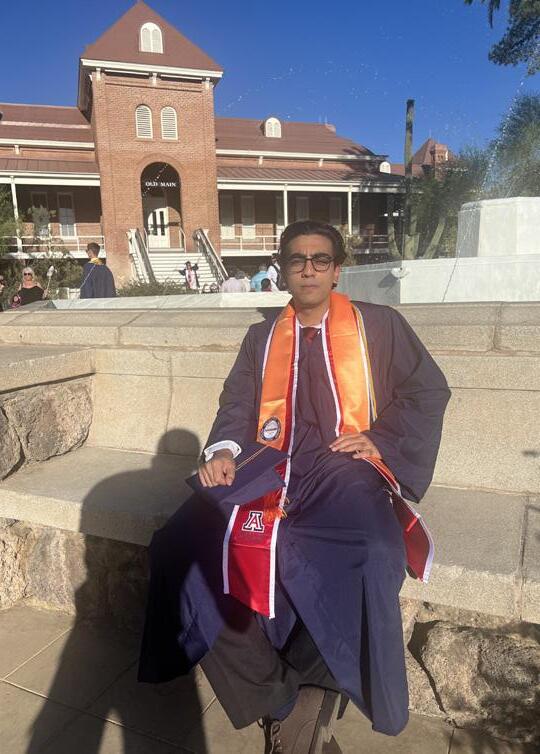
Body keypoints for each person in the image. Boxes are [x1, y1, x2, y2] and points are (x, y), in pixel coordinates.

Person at [138, 221, 451, 753]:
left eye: (320, 260)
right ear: (282, 269)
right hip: (266, 465)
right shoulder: (261, 338)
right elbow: (237, 405)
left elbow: (425, 391)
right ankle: (280, 697)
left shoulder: (379, 325)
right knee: (179, 546)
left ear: (337, 270)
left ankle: (315, 687)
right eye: (297, 260)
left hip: (340, 468)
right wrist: (222, 451)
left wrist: (379, 439)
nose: (308, 269)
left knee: (373, 550)